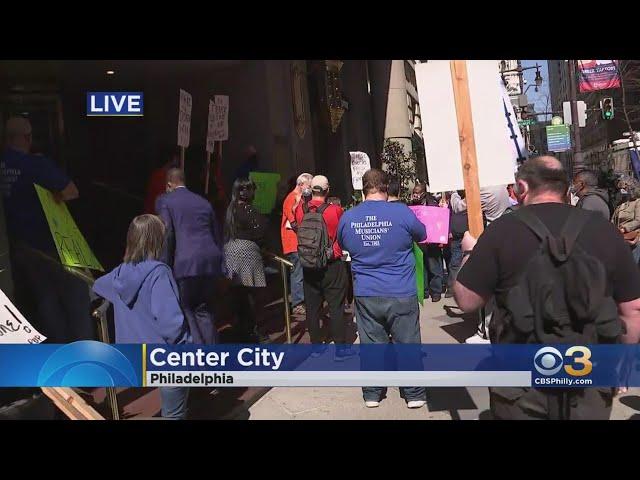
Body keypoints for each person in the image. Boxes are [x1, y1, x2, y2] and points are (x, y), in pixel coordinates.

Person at [453, 156, 640, 420]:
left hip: (520, 380)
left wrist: (469, 253)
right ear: (566, 187)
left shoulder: (501, 231)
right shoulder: (604, 230)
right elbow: (633, 308)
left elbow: (466, 300)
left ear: (522, 187)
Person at [338, 168, 427, 409]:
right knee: (407, 342)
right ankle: (414, 393)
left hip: (367, 291)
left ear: (363, 189)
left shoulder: (349, 217)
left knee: (371, 344)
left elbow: (344, 244)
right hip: (400, 289)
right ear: (385, 188)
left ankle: (372, 393)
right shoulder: (401, 212)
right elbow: (423, 234)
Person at [0, 116, 93, 343]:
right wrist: (54, 197)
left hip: (20, 247)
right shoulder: (35, 164)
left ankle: (59, 346)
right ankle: (84, 348)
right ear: (27, 138)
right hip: (51, 245)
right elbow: (71, 191)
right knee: (76, 295)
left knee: (45, 298)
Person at [93, 214, 191, 420]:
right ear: (157, 240)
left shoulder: (119, 273)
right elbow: (171, 324)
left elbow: (97, 287)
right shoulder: (159, 273)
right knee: (174, 414)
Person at [155, 168, 224, 344]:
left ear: (169, 184)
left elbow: (168, 233)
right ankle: (212, 357)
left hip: (185, 263)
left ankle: (199, 359)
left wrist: (163, 265)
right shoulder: (203, 202)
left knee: (187, 310)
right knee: (205, 310)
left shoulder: (166, 201)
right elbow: (216, 233)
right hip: (210, 262)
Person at [294, 175, 349, 355]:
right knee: (336, 305)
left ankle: (316, 345)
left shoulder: (301, 210)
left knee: (312, 306)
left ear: (311, 189)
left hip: (309, 263)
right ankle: (340, 348)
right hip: (332, 262)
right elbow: (342, 234)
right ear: (327, 190)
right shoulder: (335, 210)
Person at [223, 178, 269, 343]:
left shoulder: (229, 210)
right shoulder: (250, 211)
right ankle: (255, 330)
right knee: (253, 295)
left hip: (230, 250)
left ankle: (240, 328)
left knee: (237, 293)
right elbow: (261, 231)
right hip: (248, 251)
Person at [281, 173, 313, 316]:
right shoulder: (291, 198)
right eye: (309, 185)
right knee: (297, 272)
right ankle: (298, 303)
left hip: (299, 241)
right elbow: (293, 221)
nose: (310, 188)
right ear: (301, 185)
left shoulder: (299, 199)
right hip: (293, 242)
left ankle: (302, 300)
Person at [410, 182, 443, 302]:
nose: (415, 195)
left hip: (432, 240)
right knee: (421, 266)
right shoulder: (412, 205)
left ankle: (436, 292)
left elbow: (439, 221)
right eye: (414, 193)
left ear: (424, 193)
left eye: (417, 193)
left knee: (434, 266)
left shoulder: (433, 204)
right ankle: (424, 291)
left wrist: (439, 237)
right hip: (419, 241)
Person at [445, 190, 468, 299]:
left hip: (468, 235)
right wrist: (448, 230)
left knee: (468, 263)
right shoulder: (454, 199)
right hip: (455, 236)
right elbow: (447, 215)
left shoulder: (470, 197)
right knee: (454, 263)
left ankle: (466, 289)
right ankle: (451, 288)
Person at [144, 146, 179, 214]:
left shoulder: (159, 174)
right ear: (173, 159)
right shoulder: (161, 176)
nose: (178, 161)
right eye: (177, 158)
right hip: (155, 218)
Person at [612, 185, 640, 264]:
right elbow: (613, 220)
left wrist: (624, 228)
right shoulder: (620, 204)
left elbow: (638, 220)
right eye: (621, 188)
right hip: (619, 239)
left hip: (633, 240)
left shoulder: (637, 202)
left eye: (624, 187)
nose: (622, 190)